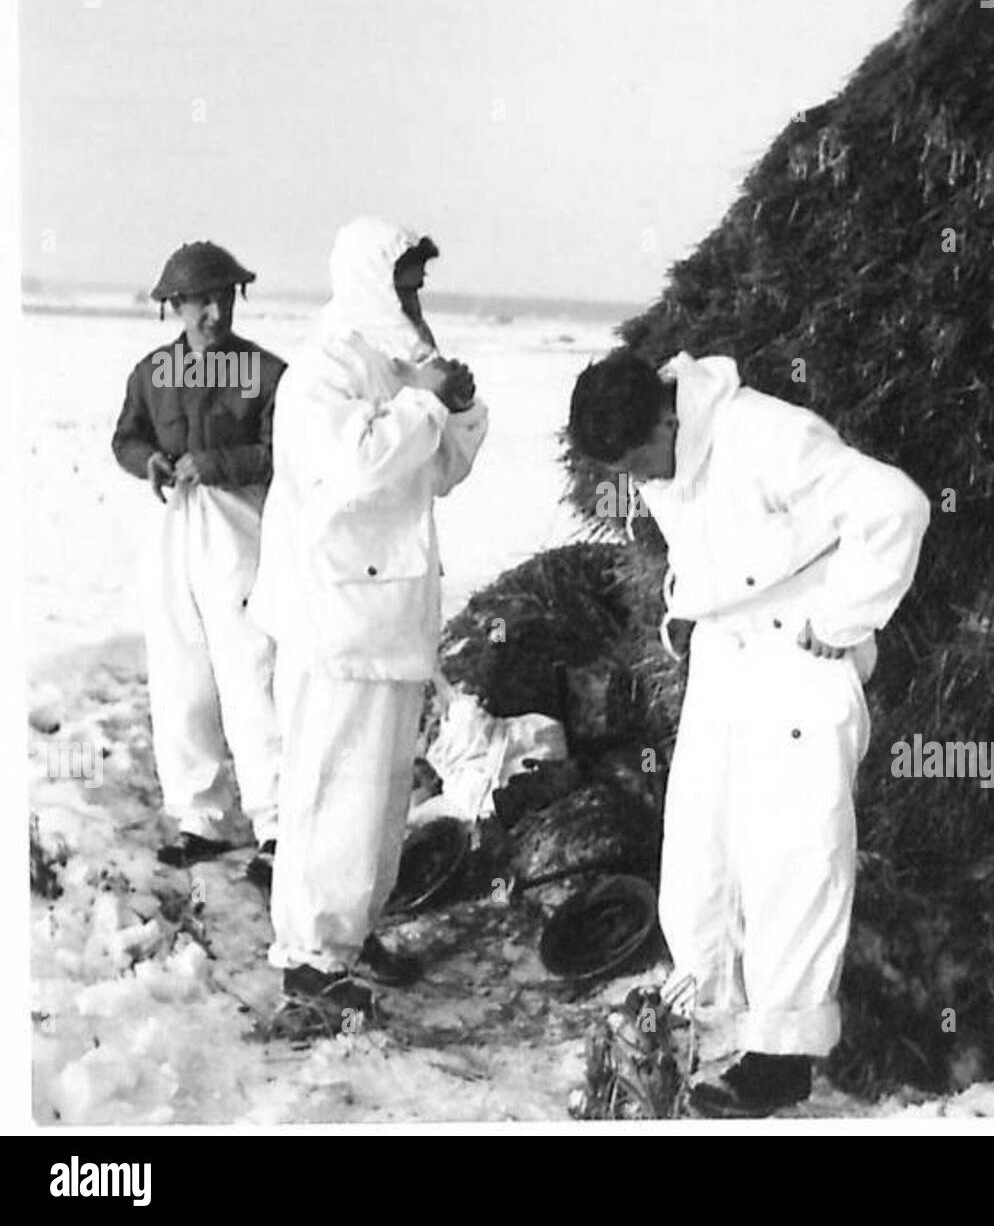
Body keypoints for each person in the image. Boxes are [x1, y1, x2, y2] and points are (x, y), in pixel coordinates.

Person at [568, 348, 930, 1116]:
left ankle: (782, 1057)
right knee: (699, 850)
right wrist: (683, 615)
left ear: (667, 415)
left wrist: (845, 619)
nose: (638, 477)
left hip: (797, 663)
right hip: (726, 663)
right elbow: (707, 548)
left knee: (789, 857)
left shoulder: (768, 433)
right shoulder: (664, 453)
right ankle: (714, 1018)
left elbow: (897, 505)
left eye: (639, 457)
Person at [248, 216, 487, 1031]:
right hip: (333, 617)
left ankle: (352, 931)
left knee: (381, 795)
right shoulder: (319, 373)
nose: (416, 300)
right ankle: (311, 958)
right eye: (405, 285)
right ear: (369, 283)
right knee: (328, 789)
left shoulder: (394, 364)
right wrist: (424, 397)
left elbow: (445, 470)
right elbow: (360, 463)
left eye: (419, 285)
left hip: (389, 611)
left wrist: (455, 402)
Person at [112, 241, 285, 887]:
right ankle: (200, 818)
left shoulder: (266, 372)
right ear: (174, 305)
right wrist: (145, 462)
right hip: (170, 522)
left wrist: (217, 465)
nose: (212, 311)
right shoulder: (152, 372)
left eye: (222, 297)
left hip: (238, 524)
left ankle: (277, 822)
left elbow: (282, 451)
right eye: (198, 300)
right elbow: (126, 435)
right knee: (180, 666)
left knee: (253, 666)